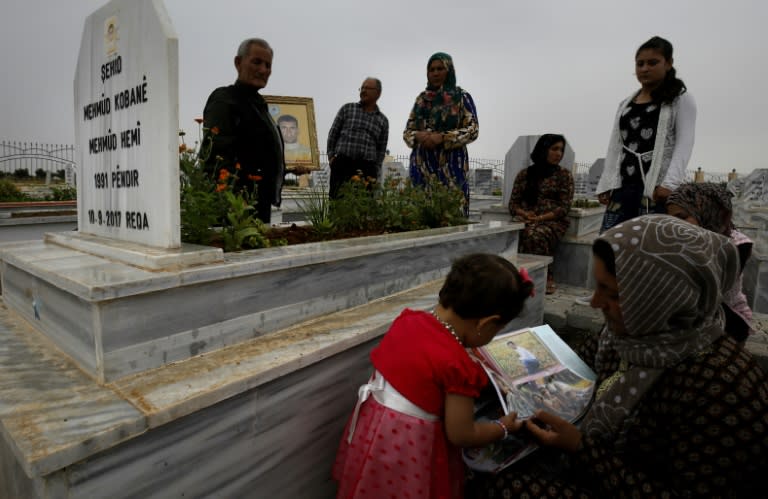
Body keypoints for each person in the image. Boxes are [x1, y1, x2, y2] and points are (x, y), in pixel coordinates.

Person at [467, 215, 768, 498]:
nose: (596, 303)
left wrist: (581, 448)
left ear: (663, 297)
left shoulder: (726, 387)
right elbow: (570, 367)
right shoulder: (626, 336)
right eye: (597, 287)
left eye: (612, 293)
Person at [333, 253, 535, 498]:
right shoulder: (458, 368)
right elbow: (461, 433)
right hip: (410, 452)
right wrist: (502, 427)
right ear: (486, 323)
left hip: (375, 438)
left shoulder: (408, 321)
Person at [596, 36, 696, 232]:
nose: (644, 68)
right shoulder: (625, 104)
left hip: (655, 189)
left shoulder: (680, 99)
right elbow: (615, 144)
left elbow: (685, 142)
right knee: (611, 245)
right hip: (622, 187)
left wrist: (670, 183)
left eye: (652, 63)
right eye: (640, 64)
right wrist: (606, 182)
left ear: (668, 64)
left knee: (647, 248)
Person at [202, 38, 307, 223]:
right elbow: (216, 156)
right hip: (236, 208)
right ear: (238, 62)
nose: (263, 70)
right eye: (257, 62)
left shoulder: (260, 106)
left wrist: (287, 170)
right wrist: (233, 201)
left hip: (258, 203)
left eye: (268, 65)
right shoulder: (225, 99)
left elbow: (256, 156)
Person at [667, 182, 754, 340]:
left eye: (682, 217)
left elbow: (707, 292)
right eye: (670, 219)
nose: (674, 225)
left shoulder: (736, 245)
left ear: (708, 212)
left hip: (726, 317)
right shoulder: (682, 240)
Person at [404, 53, 478, 217]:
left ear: (449, 70)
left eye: (440, 69)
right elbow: (407, 131)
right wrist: (418, 136)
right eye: (431, 69)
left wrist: (443, 137)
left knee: (452, 215)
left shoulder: (461, 97)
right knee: (419, 215)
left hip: (451, 165)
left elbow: (473, 129)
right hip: (421, 164)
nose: (435, 73)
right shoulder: (421, 100)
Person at [508, 134, 575, 294]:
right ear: (543, 149)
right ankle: (513, 276)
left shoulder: (564, 176)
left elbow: (564, 208)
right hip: (526, 218)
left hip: (552, 221)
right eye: (554, 149)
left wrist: (539, 218)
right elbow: (513, 204)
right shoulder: (525, 175)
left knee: (534, 234)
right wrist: (525, 214)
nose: (558, 154)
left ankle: (544, 276)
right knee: (511, 232)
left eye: (561, 150)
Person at [327, 77, 389, 199]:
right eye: (362, 88)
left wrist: (375, 169)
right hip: (342, 165)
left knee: (363, 209)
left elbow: (381, 149)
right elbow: (333, 134)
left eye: (368, 88)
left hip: (367, 170)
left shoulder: (383, 120)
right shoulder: (347, 109)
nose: (363, 91)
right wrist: (331, 157)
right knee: (337, 206)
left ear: (378, 93)